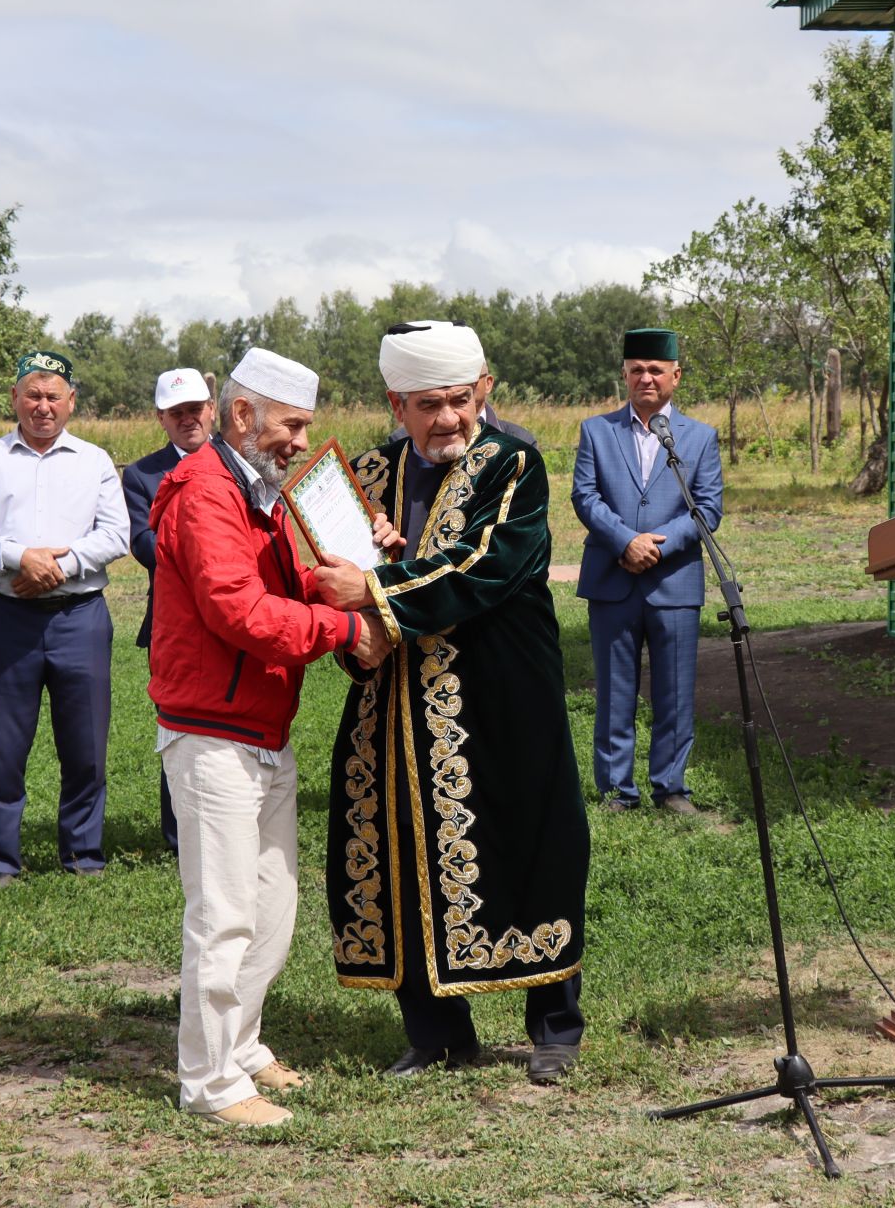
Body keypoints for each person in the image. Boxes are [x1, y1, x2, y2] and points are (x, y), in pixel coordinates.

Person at [312, 319, 590, 1085]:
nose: (448, 420)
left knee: (533, 843)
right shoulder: (363, 475)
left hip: (505, 696)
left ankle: (554, 1029)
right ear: (395, 403)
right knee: (399, 851)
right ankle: (438, 1034)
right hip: (394, 709)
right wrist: (351, 627)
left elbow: (487, 566)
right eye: (428, 405)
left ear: (485, 391)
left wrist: (371, 590)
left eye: (461, 401)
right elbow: (330, 569)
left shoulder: (514, 463)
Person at [149, 347, 392, 1127]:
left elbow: (303, 580)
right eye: (290, 424)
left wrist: (365, 558)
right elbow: (241, 613)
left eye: (305, 428)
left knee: (271, 907)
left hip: (259, 727)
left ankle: (242, 1047)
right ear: (243, 415)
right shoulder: (204, 491)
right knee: (223, 914)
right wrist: (348, 624)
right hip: (211, 732)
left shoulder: (262, 491)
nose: (298, 440)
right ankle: (210, 1084)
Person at [0, 351, 129, 889]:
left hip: (80, 617)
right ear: (15, 399)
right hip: (10, 618)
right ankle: (0, 861)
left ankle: (83, 855)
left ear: (71, 402)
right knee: (3, 748)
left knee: (85, 747)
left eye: (54, 396)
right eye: (33, 394)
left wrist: (59, 565)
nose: (43, 406)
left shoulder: (94, 460)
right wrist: (18, 557)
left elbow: (115, 533)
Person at [571, 328, 723, 814]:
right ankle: (617, 791)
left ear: (676, 376)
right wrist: (624, 541)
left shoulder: (700, 437)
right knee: (615, 691)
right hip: (613, 581)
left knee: (675, 691)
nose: (646, 378)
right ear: (624, 375)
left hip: (673, 583)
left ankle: (671, 788)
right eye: (637, 369)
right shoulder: (597, 430)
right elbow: (585, 496)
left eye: (656, 370)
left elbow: (707, 508)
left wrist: (654, 547)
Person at [123, 366, 214, 855]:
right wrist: (215, 556)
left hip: (236, 613)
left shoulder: (239, 463)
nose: (188, 420)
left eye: (196, 410)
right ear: (161, 417)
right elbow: (144, 544)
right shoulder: (141, 474)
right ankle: (180, 836)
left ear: (212, 410)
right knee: (178, 727)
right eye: (177, 412)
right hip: (174, 622)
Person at [390, 359, 537, 447]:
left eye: (471, 380)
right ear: (398, 406)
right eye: (431, 405)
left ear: (488, 383)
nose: (448, 420)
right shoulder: (402, 441)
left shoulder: (519, 442)